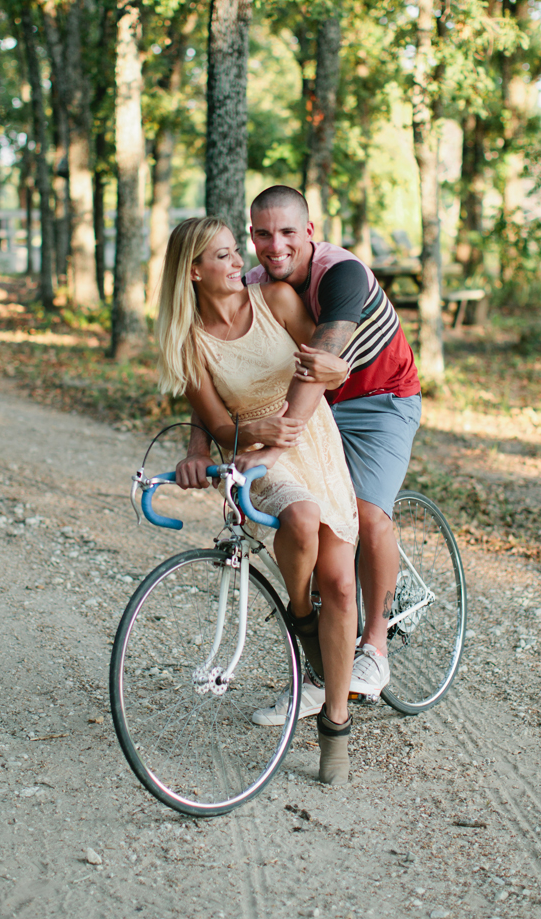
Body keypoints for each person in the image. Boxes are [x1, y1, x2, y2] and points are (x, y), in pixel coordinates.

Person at [177, 186, 422, 722]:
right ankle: (319, 669)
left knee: (366, 513)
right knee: (317, 529)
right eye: (261, 234)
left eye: (287, 232)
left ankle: (374, 648)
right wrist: (201, 442)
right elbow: (227, 372)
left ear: (309, 232)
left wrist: (267, 445)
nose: (273, 245)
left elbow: (319, 363)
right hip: (314, 408)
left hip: (379, 400)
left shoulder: (342, 274)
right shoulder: (256, 283)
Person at [155, 216, 359, 785]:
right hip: (257, 456)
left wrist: (288, 424)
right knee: (301, 516)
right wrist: (259, 437)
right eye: (221, 256)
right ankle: (300, 612)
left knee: (342, 585)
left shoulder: (276, 299)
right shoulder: (188, 341)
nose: (237, 262)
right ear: (194, 272)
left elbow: (320, 373)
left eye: (232, 251)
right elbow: (220, 426)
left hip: (313, 438)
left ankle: (335, 725)